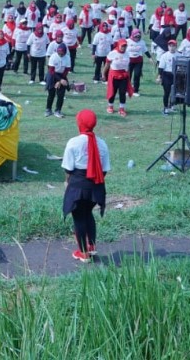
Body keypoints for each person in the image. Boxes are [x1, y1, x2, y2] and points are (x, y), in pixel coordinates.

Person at [61, 109, 110, 263]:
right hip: (96, 186)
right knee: (88, 213)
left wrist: (67, 183)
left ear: (79, 123)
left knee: (79, 216)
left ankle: (83, 253)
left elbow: (68, 168)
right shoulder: (102, 143)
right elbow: (104, 169)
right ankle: (91, 246)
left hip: (78, 186)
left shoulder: (73, 142)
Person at [105, 40, 132, 117]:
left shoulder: (127, 54)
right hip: (114, 75)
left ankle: (122, 109)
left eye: (125, 46)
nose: (124, 47)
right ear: (119, 45)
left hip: (123, 76)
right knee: (112, 92)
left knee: (122, 92)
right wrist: (103, 74)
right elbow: (107, 65)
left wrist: (129, 77)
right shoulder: (113, 53)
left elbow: (128, 67)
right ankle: (110, 106)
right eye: (122, 46)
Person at [45, 43, 71, 118]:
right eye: (59, 52)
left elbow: (66, 70)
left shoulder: (67, 58)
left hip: (62, 75)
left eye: (62, 53)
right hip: (52, 75)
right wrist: (59, 80)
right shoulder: (53, 56)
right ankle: (48, 109)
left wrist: (60, 81)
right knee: (51, 93)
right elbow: (51, 70)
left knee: (61, 94)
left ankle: (58, 110)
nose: (60, 54)